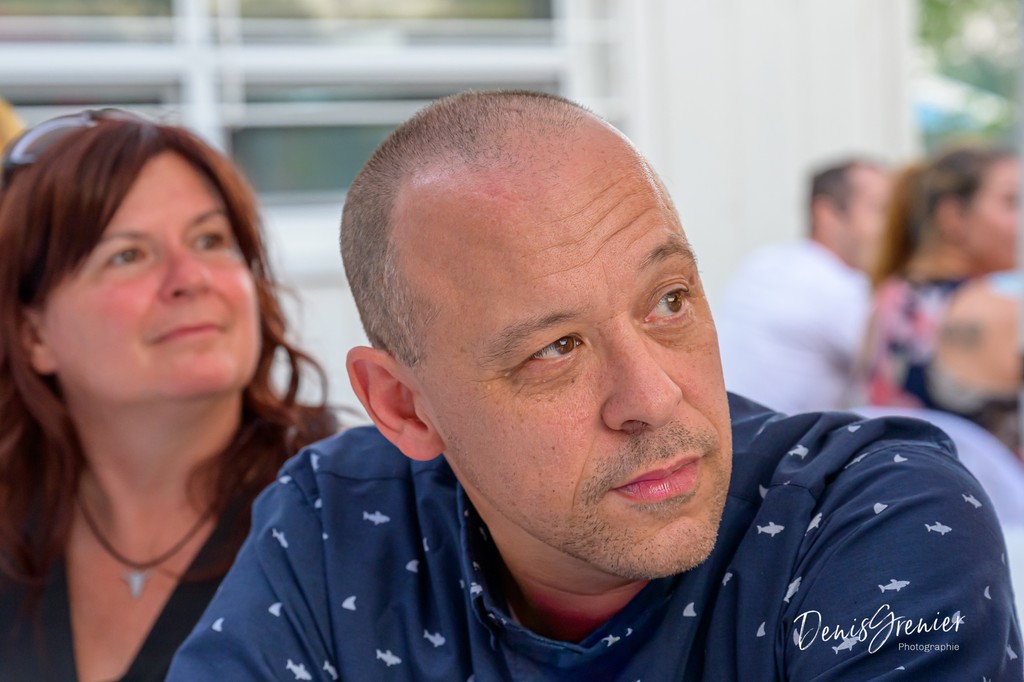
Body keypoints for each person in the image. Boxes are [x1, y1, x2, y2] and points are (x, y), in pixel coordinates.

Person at [169, 91, 1022, 680]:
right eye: (556, 349)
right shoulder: (337, 522)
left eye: (669, 301)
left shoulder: (874, 515)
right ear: (403, 405)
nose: (653, 397)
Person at [0, 109, 338, 681]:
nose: (191, 277)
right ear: (34, 336)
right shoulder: (14, 525)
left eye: (211, 240)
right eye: (128, 254)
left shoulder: (355, 518)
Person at [854, 146, 1020, 455]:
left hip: (899, 478)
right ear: (954, 216)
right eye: (1012, 202)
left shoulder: (888, 297)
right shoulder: (999, 312)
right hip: (981, 484)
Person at [715, 159, 890, 414]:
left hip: (736, 428)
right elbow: (907, 361)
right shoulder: (834, 286)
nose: (894, 227)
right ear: (825, 213)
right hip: (780, 437)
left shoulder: (763, 262)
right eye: (880, 210)